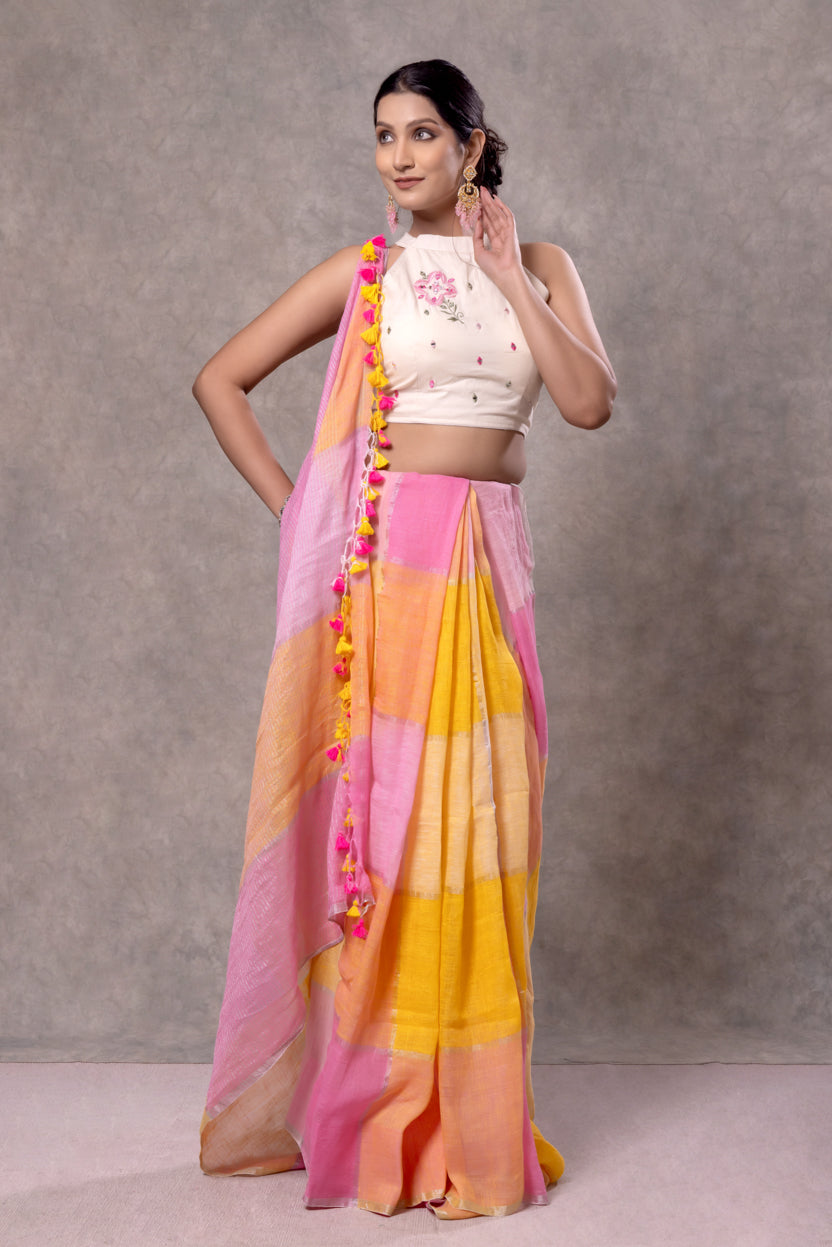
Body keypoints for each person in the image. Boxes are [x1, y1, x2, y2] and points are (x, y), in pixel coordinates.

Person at [192, 58, 616, 1220]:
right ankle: (389, 1111)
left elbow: (584, 402)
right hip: (391, 576)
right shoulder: (362, 273)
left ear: (473, 146)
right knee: (394, 845)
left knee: (489, 831)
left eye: (423, 133)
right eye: (383, 135)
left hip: (493, 563)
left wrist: (504, 274)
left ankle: (473, 1117)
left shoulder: (543, 266)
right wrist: (305, 514)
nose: (398, 156)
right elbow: (220, 379)